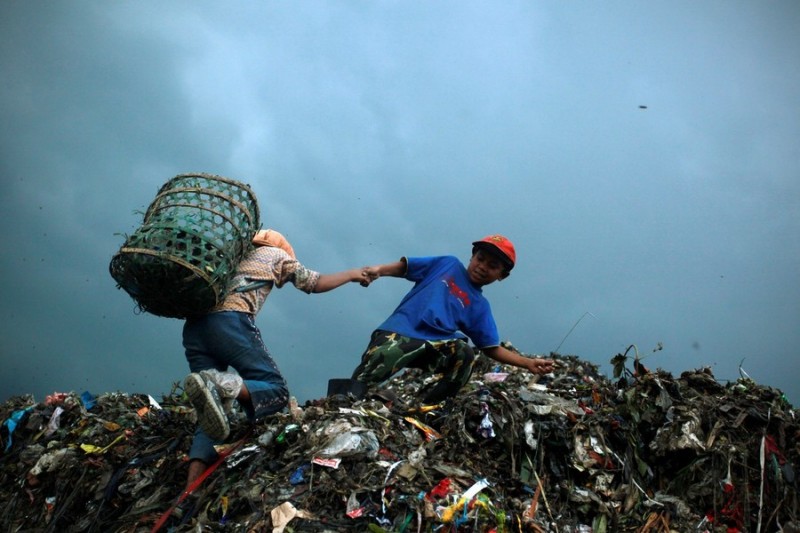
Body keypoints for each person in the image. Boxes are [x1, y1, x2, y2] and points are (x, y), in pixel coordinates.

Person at [182, 229, 372, 490]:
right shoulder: (275, 254)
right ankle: (223, 384)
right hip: (229, 321)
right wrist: (352, 274)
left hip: (194, 329)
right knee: (275, 388)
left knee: (209, 410)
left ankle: (189, 490)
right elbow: (313, 282)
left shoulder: (232, 259)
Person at [352, 234, 554, 404]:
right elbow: (406, 268)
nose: (482, 266)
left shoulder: (479, 306)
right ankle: (343, 401)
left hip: (435, 344)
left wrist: (527, 363)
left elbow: (490, 348)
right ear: (472, 256)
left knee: (464, 355)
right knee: (374, 369)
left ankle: (429, 409)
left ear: (502, 275)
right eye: (480, 259)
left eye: (492, 266)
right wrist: (378, 270)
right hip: (400, 332)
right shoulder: (448, 265)